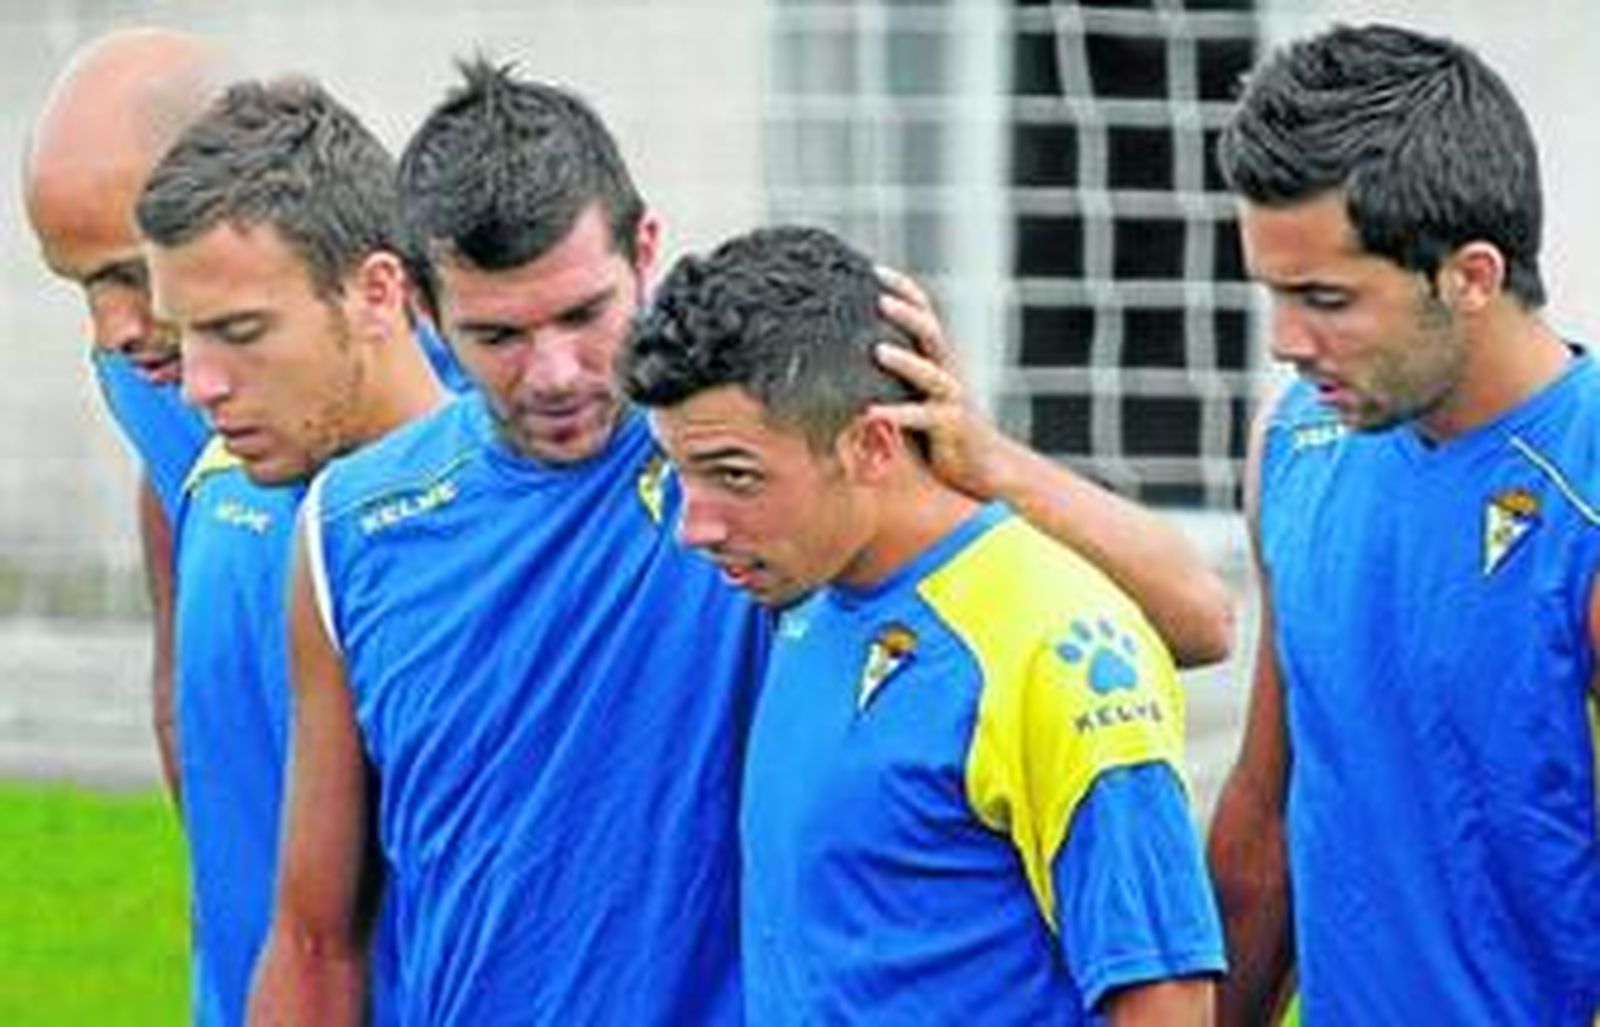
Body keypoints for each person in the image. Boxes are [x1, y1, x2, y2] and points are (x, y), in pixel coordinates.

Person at [251, 60, 1232, 1025]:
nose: (553, 371)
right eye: (499, 336)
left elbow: (1188, 622)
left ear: (644, 250)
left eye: (585, 315)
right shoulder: (354, 529)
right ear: (422, 309)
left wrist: (984, 458)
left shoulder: (759, 453)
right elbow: (312, 932)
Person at [622, 224, 1225, 1025]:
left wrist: (992, 457)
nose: (693, 526)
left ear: (873, 443)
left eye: (734, 475)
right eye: (680, 474)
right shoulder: (797, 590)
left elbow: (1166, 995)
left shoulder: (1052, 642)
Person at [1206, 22, 1600, 1024]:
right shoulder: (1291, 446)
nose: (1286, 341)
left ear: (1469, 275)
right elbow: (1264, 822)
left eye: (1326, 298)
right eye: (1273, 293)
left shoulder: (1582, 493)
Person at [133, 76, 448, 1026]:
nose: (198, 387)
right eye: (186, 337)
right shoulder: (210, 486)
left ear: (377, 292)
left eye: (240, 334)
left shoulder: (527, 523)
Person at [24, 27, 221, 806]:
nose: (112, 333)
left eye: (130, 274)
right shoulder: (141, 370)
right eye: (81, 286)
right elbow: (174, 479)